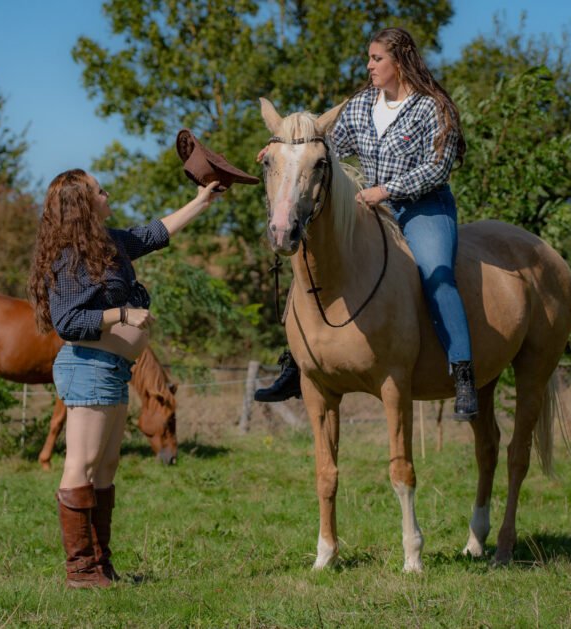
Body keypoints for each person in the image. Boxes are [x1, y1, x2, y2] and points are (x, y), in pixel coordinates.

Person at [254, 26, 479, 422]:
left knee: (436, 274)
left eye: (377, 58)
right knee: (311, 264)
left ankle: (462, 371)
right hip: (374, 208)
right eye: (370, 58)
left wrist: (386, 189)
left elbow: (438, 168)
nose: (369, 65)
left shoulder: (432, 108)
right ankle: (295, 361)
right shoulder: (359, 106)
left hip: (424, 207)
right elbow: (326, 148)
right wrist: (286, 152)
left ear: (400, 61)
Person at [28, 169, 221, 588]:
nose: (107, 193)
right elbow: (68, 321)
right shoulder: (68, 256)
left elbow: (154, 233)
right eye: (100, 191)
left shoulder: (109, 243)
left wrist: (201, 201)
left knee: (107, 465)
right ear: (83, 203)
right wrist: (122, 314)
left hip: (113, 368)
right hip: (88, 366)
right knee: (82, 463)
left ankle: (100, 564)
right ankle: (80, 571)